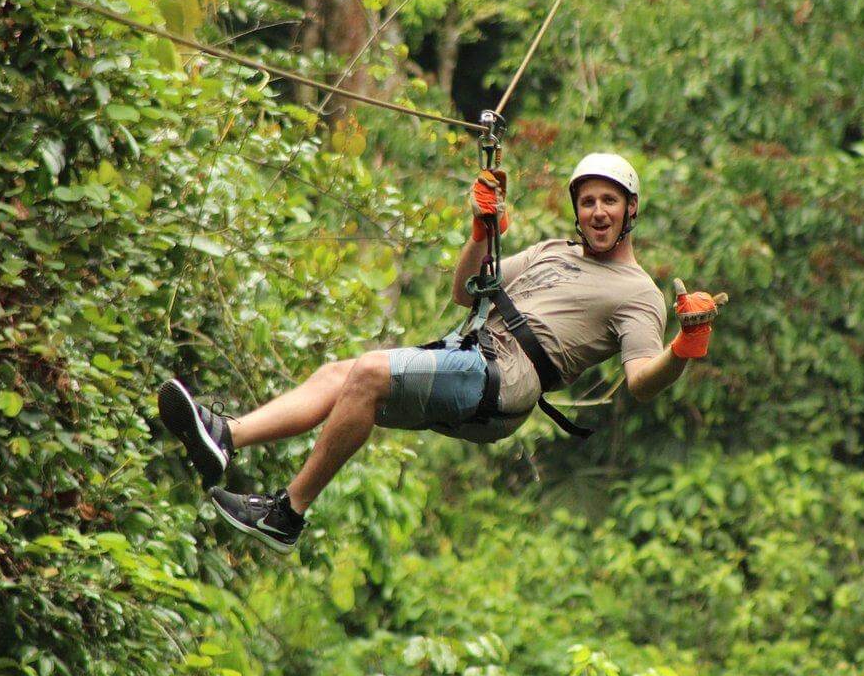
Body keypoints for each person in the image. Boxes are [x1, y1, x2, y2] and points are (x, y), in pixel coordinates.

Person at [158, 153, 724, 552]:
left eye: (611, 202)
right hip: (472, 352)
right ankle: (226, 437)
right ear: (577, 211)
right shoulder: (553, 251)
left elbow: (641, 380)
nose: (599, 212)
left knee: (371, 373)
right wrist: (482, 229)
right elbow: (466, 289)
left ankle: (287, 514)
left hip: (507, 377)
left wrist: (682, 346)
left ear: (631, 211)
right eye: (589, 202)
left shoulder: (639, 294)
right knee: (344, 373)